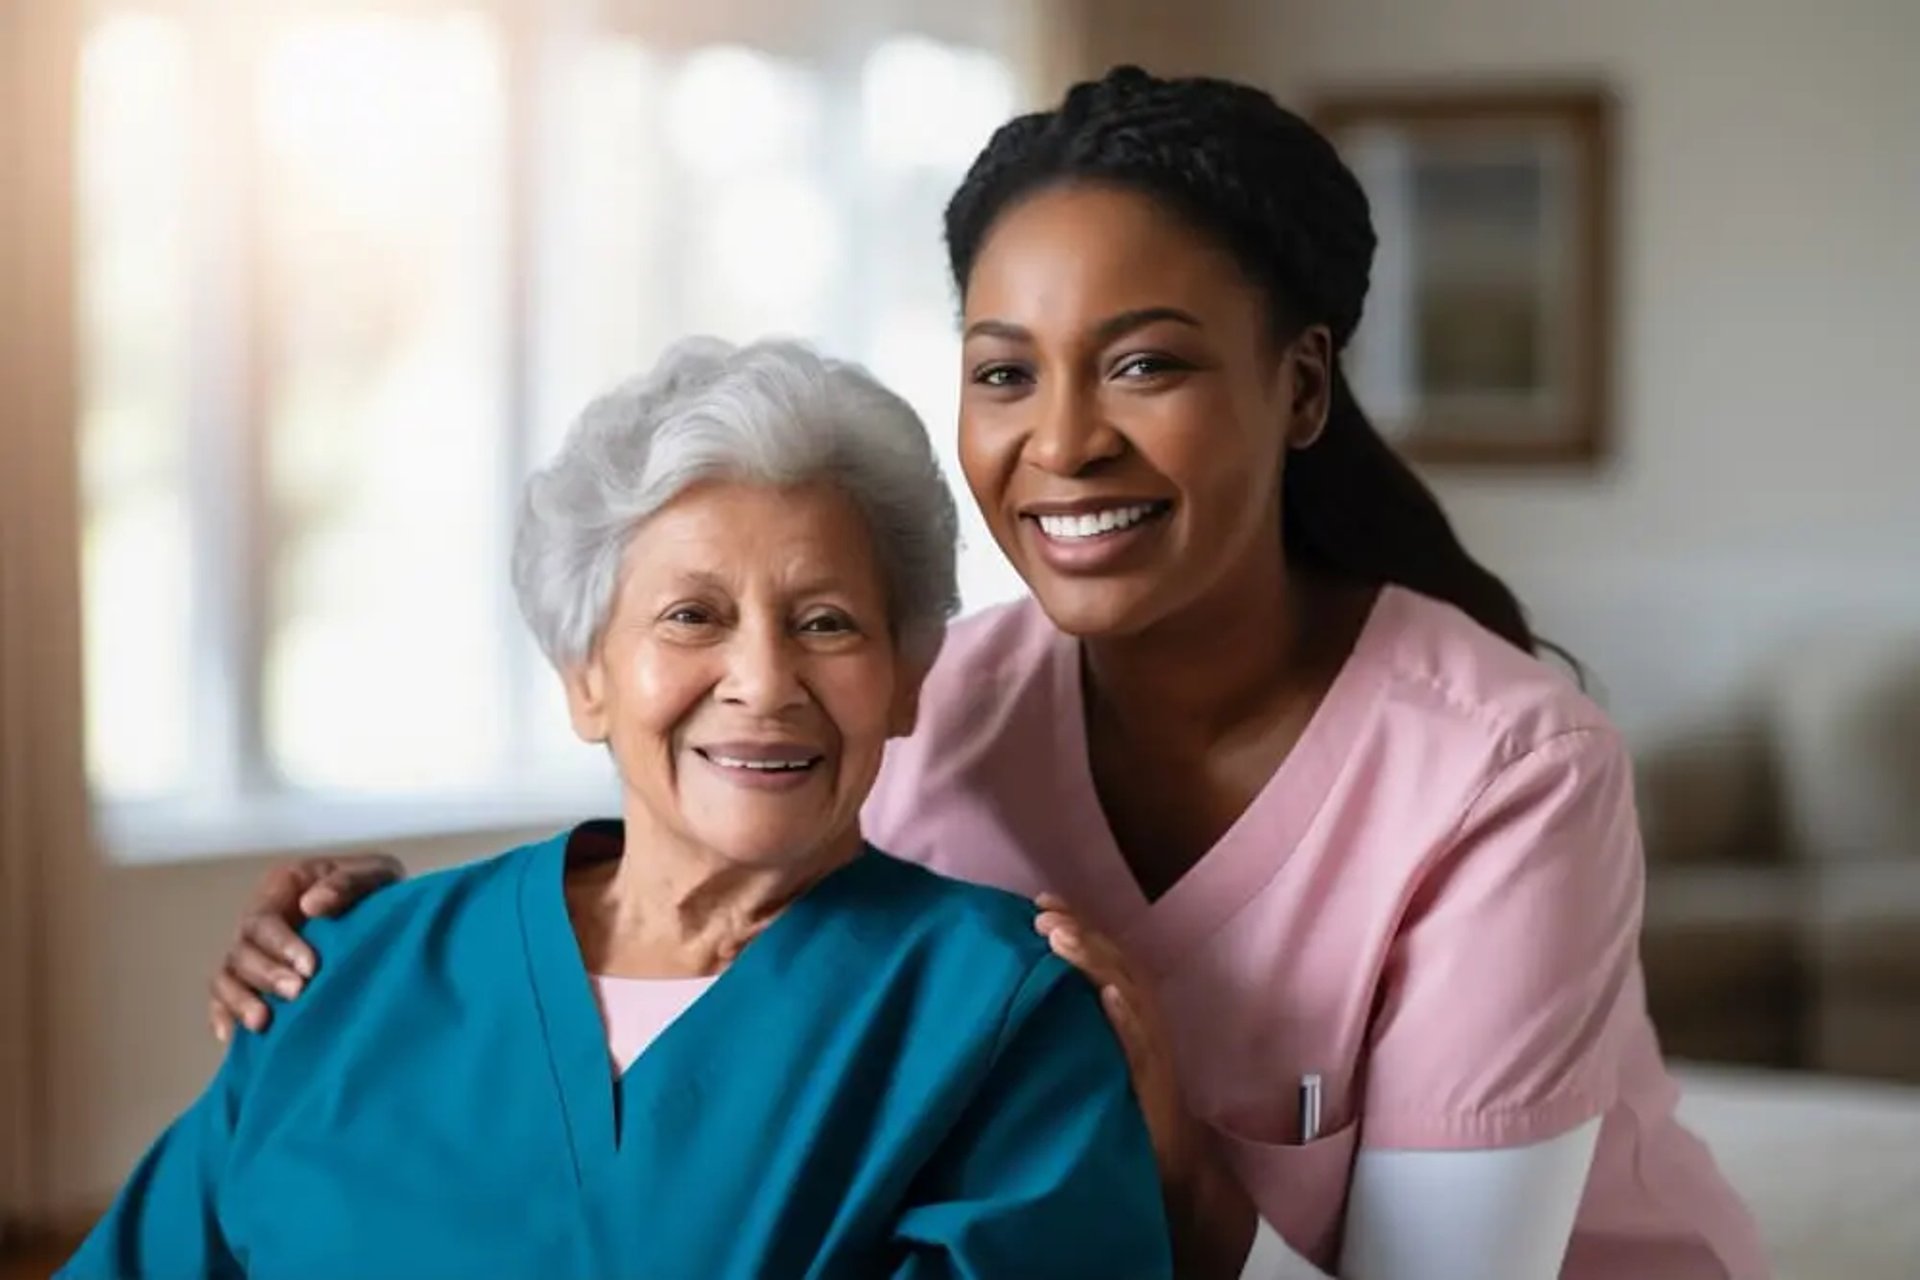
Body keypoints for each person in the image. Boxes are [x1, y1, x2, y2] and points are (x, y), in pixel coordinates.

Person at [202, 68, 1770, 1280]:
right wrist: (387, 954)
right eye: (1005, 371)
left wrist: (1180, 1165)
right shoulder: (923, 692)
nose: (1063, 439)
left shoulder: (1504, 772)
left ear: (1299, 389)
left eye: (1146, 363)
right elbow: (679, 834)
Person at [63, 339, 1173, 1280]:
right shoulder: (341, 971)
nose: (764, 680)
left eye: (828, 622)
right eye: (693, 614)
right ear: (585, 675)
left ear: (907, 676)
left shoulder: (1001, 1016)